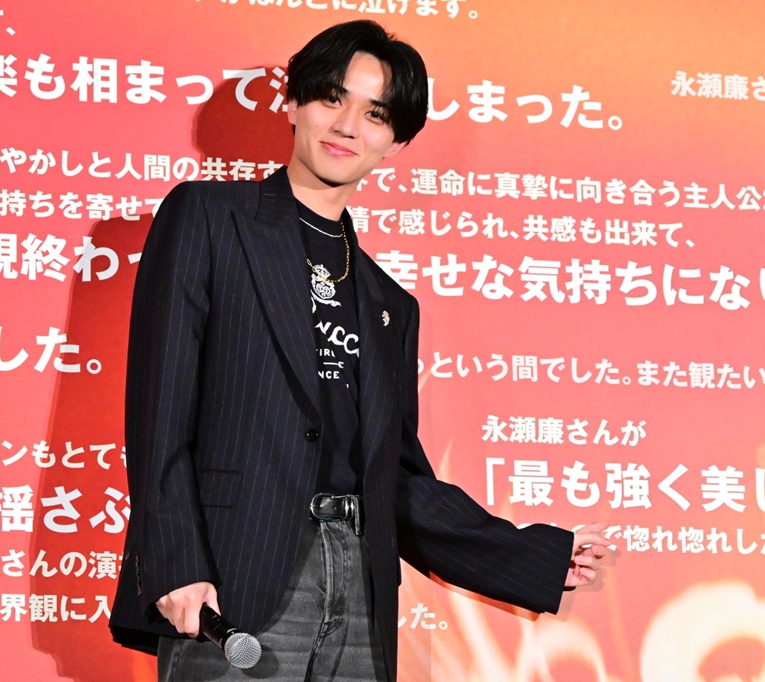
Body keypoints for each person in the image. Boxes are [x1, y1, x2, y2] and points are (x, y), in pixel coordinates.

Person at [109, 19, 608, 681]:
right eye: (331, 98)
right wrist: (175, 563)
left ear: (395, 141)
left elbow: (396, 481)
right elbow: (160, 407)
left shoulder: (388, 304)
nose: (347, 126)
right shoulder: (209, 219)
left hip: (360, 589)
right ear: (294, 103)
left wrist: (531, 556)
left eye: (376, 114)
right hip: (234, 577)